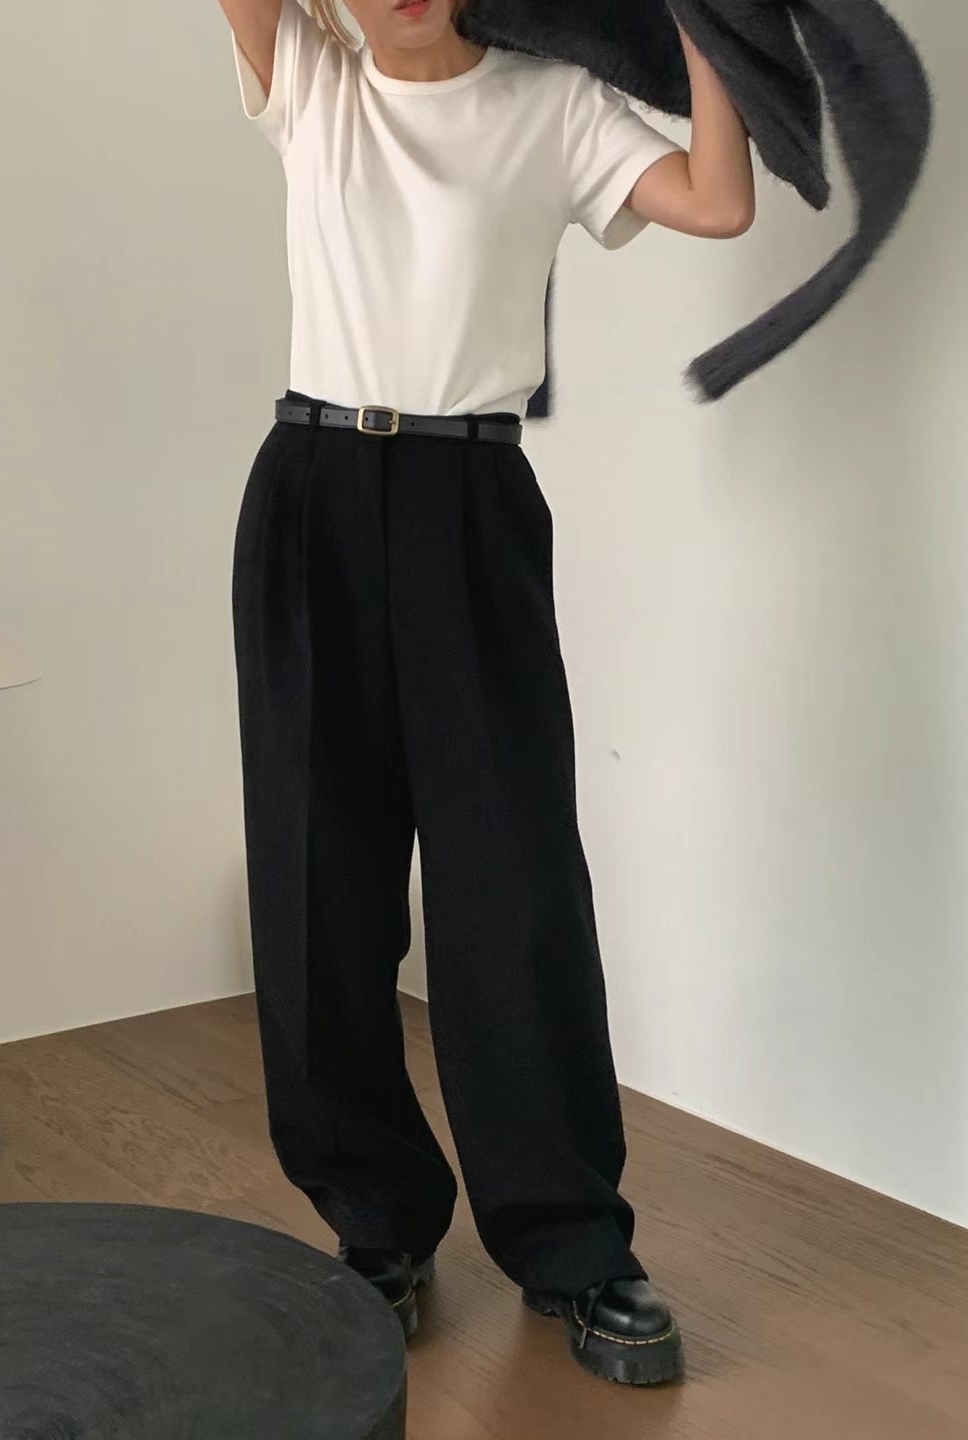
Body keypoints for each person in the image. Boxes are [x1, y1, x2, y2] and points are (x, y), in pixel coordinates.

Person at [220, 0, 753, 1386]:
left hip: (472, 497)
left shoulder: (551, 102)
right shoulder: (315, 82)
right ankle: (377, 1223)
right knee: (320, 876)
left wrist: (714, 25)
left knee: (512, 879)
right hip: (312, 490)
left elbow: (718, 201)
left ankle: (572, 1241)